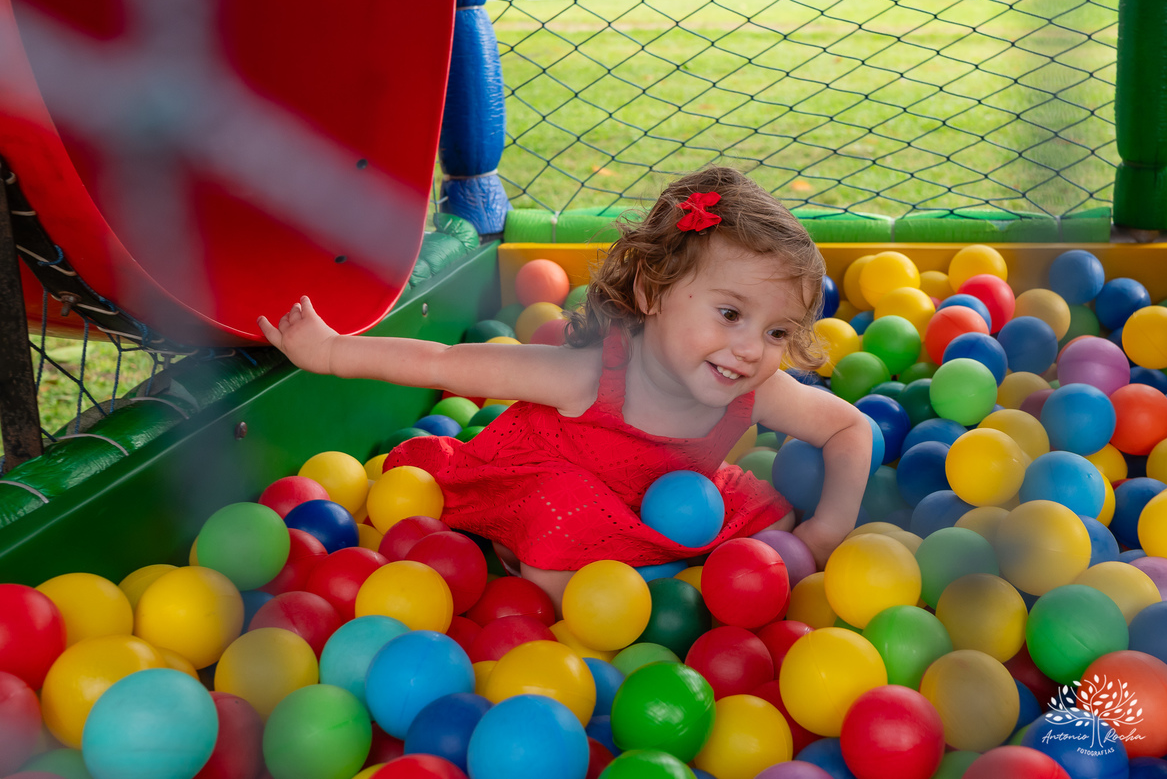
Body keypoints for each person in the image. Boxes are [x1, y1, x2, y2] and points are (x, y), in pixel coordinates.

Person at [259, 165, 873, 608]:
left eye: (777, 333)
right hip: (568, 501)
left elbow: (850, 427)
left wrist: (828, 529)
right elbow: (443, 362)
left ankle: (661, 590)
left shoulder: (752, 387)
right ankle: (571, 620)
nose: (750, 350)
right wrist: (332, 350)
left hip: (677, 507)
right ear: (651, 293)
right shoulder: (588, 375)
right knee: (558, 518)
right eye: (731, 314)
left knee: (776, 531)